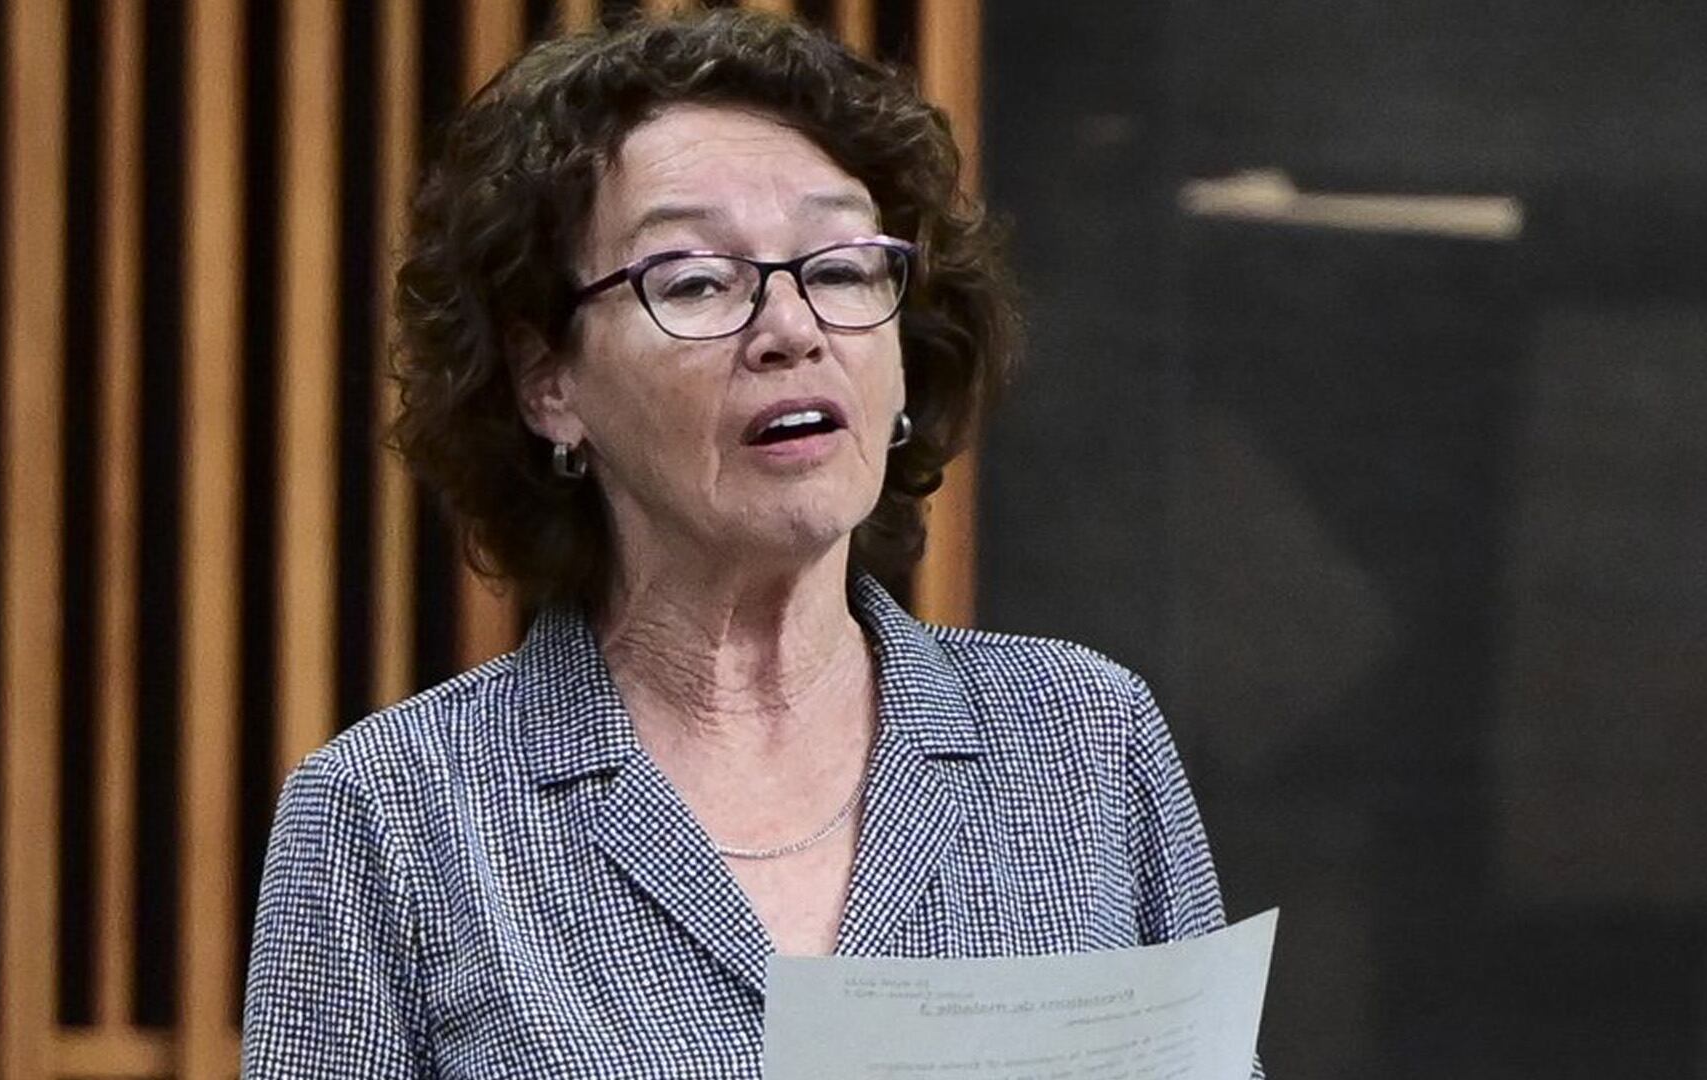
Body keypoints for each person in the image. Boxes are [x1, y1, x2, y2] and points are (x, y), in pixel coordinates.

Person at [243, 10, 1253, 1078]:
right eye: (693, 281)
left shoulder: (1082, 741)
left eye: (843, 267)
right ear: (549, 385)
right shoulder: (395, 811)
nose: (792, 328)